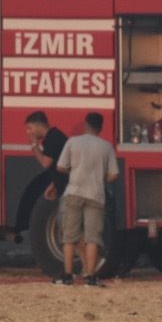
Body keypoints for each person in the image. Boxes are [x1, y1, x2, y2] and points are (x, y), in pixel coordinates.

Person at [54, 111, 118, 286]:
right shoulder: (106, 146)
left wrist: (74, 172)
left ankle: (67, 276)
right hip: (96, 194)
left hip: (74, 191)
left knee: (69, 236)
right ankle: (91, 276)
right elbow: (114, 175)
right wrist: (100, 177)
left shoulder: (73, 142)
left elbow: (60, 166)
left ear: (86, 125)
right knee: (92, 237)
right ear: (101, 127)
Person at [14, 110, 68, 240]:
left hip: (68, 191)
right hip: (65, 188)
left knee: (68, 233)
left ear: (39, 125)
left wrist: (34, 145)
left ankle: (88, 258)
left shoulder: (52, 138)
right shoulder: (56, 136)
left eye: (29, 128)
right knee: (67, 232)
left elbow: (45, 163)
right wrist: (54, 183)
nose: (28, 132)